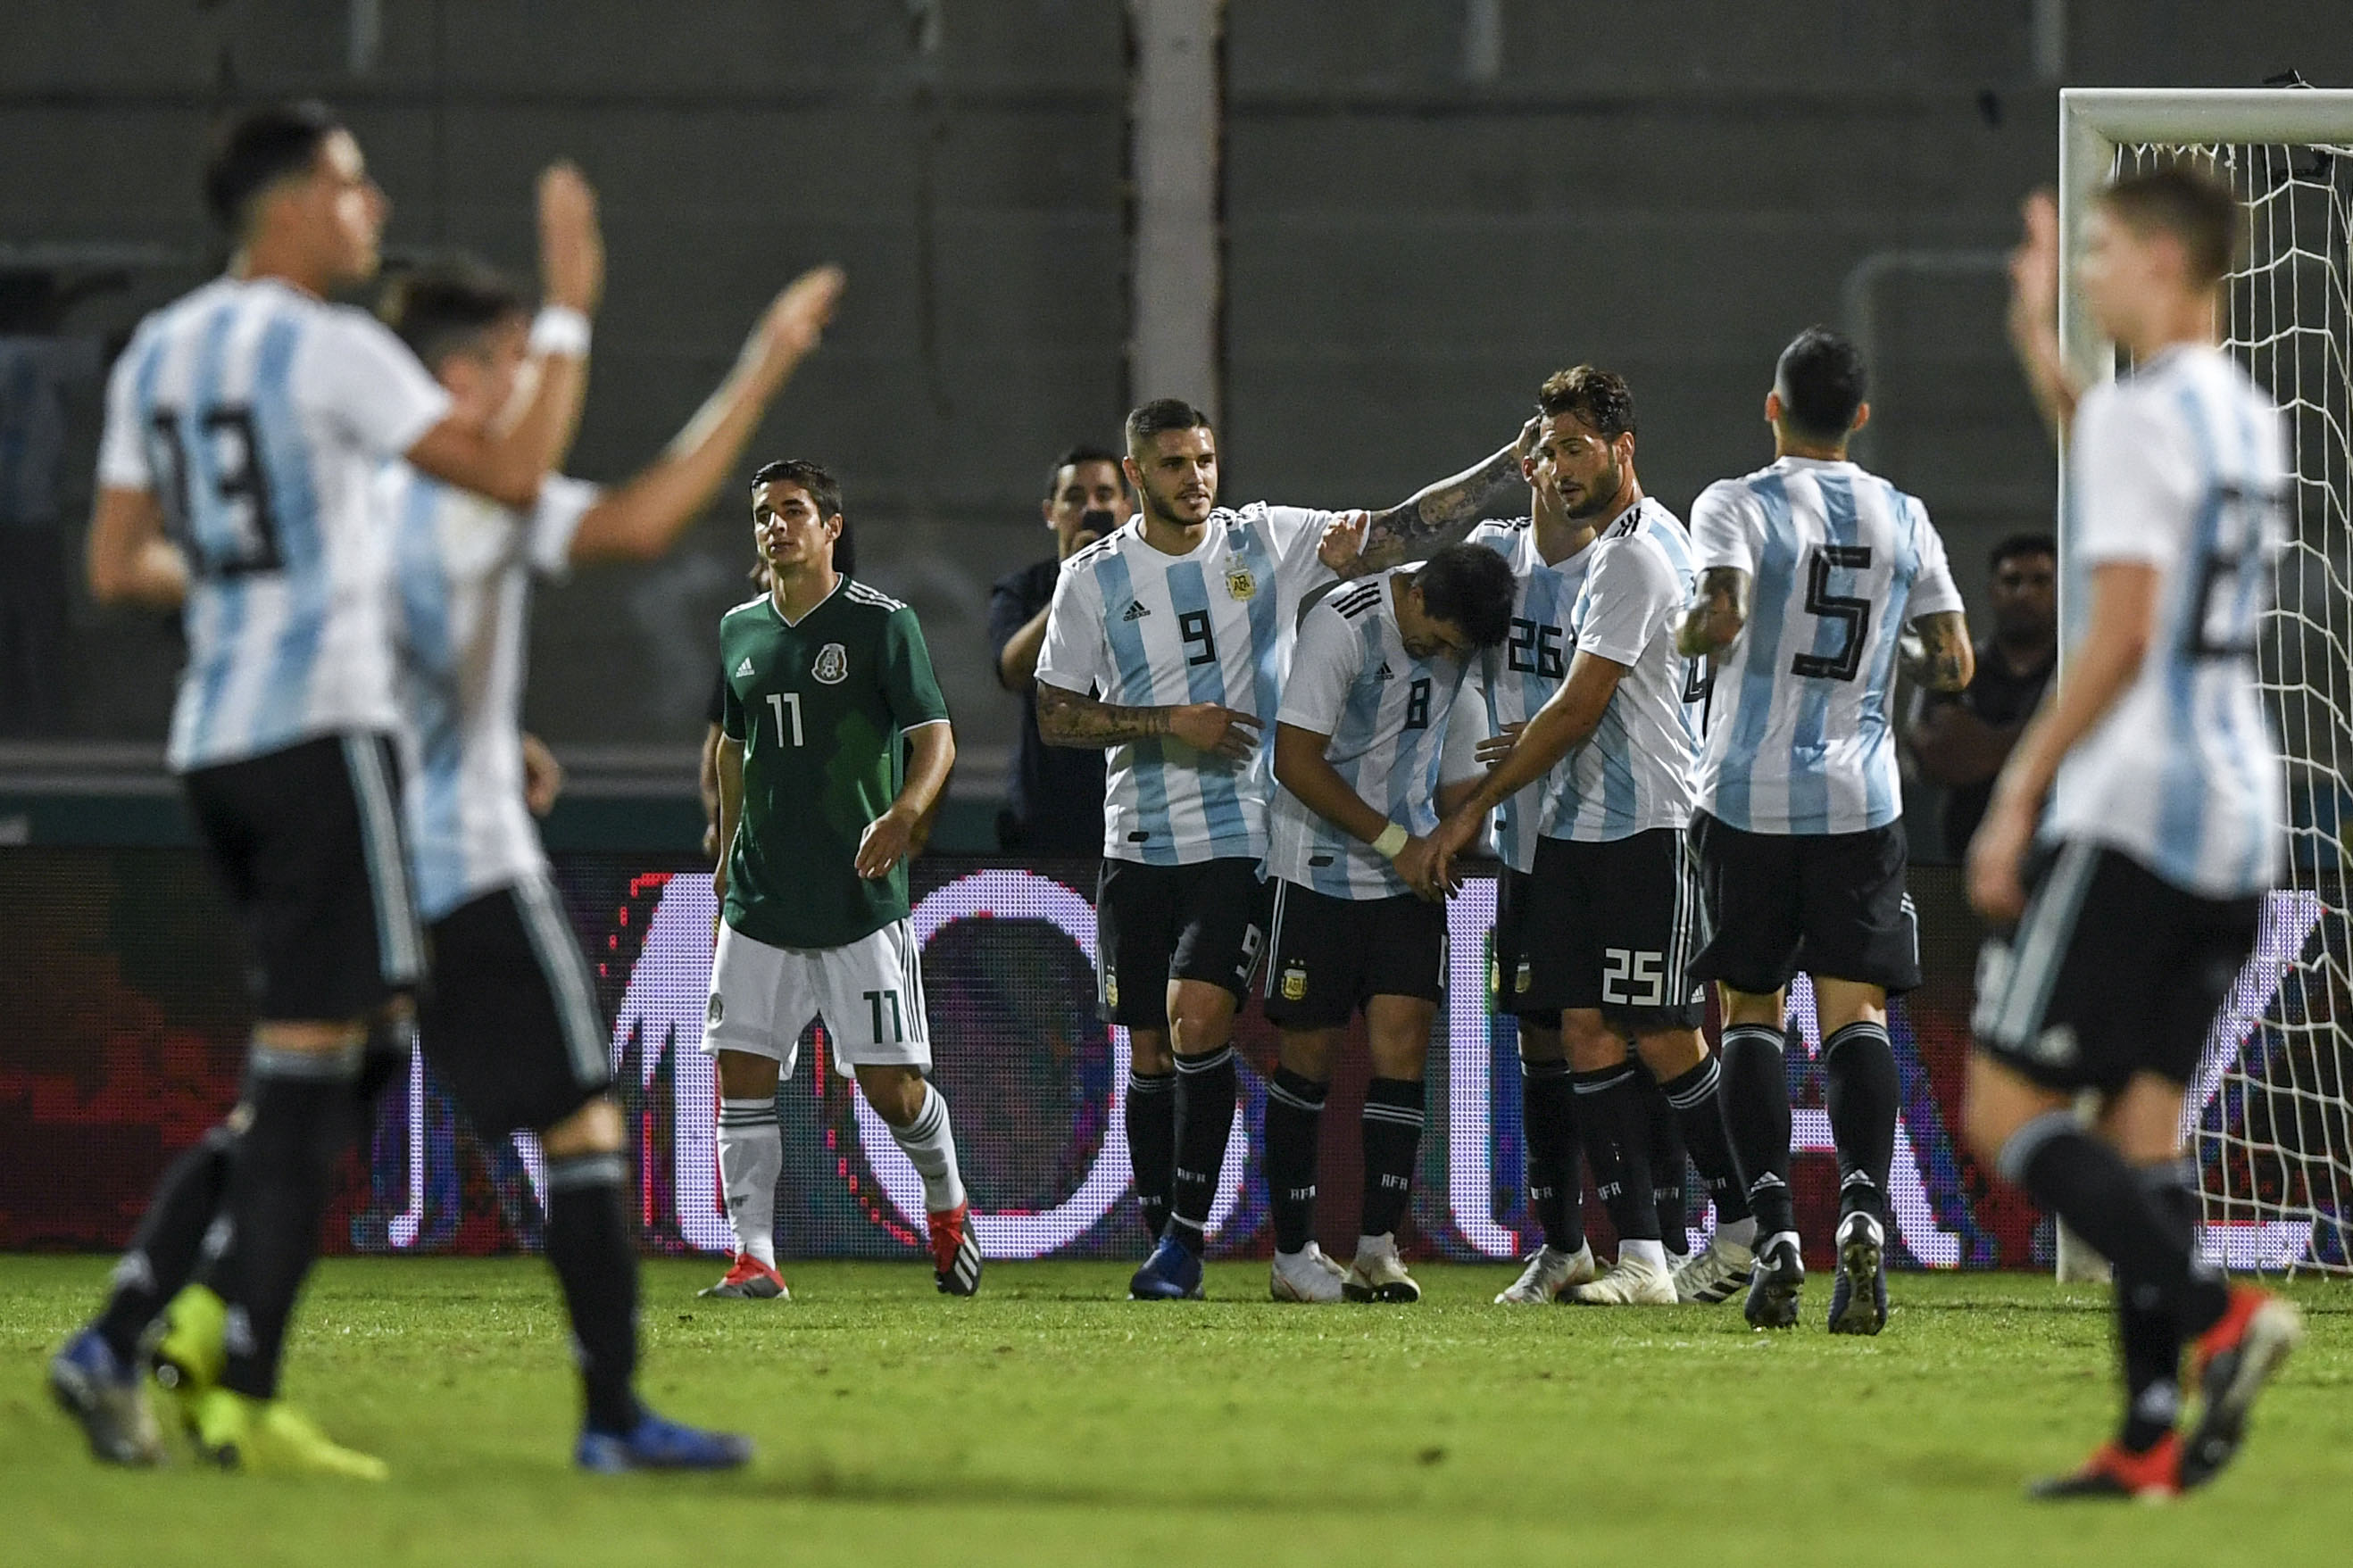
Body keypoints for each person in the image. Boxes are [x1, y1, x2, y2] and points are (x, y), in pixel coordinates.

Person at [54, 101, 599, 1477]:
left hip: (214, 744)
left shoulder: (164, 349)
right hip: (319, 737)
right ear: (292, 204)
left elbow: (117, 566)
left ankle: (162, 1336)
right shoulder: (333, 348)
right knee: (314, 1072)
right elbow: (512, 468)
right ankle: (172, 1353)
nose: (372, 207)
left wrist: (253, 590)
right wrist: (573, 315)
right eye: (352, 184)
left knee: (342, 1048)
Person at [372, 258, 841, 1466]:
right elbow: (639, 519)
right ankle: (615, 1418)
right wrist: (768, 356)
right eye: (520, 358)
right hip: (466, 859)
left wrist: (482, 728)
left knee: (305, 1105)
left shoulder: (373, 493)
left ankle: (153, 1321)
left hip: (363, 850)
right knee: (583, 1123)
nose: (537, 380)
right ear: (464, 378)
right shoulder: (480, 486)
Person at [1965, 167, 2302, 1499]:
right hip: (2241, 819)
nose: (2089, 267)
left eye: (2102, 250)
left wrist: (2019, 787)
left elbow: (2122, 625)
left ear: (2162, 261)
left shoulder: (2140, 423)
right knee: (2144, 1134)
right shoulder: (2244, 417)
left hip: (2138, 813)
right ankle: (2149, 1437)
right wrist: (2044, 353)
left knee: (2007, 1111)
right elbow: (2122, 460)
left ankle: (2217, 1313)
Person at [1033, 396, 1531, 1298]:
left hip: (1241, 832)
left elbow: (1400, 528)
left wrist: (1506, 461)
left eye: (1205, 460)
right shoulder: (1091, 579)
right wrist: (1163, 722)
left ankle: (1185, 1239)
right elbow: (1054, 714)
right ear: (1138, 471)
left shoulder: (1259, 540)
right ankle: (1167, 1227)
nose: (1195, 478)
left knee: (1197, 1014)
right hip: (1133, 834)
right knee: (1149, 1048)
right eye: (1175, 463)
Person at [1429, 367, 1755, 1307]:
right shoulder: (1516, 554)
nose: (1559, 465)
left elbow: (1577, 708)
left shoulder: (1636, 555)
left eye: (1576, 447)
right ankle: (1629, 1253)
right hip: (1566, 830)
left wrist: (1466, 805)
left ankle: (1739, 1226)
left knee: (1655, 1029)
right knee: (1575, 1030)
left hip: (1639, 821)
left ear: (1622, 448)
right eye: (1548, 447)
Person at [1674, 326, 1975, 1335]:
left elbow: (1714, 619)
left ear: (1771, 405)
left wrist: (1689, 630)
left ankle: (1770, 1229)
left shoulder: (1732, 502)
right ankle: (1859, 1206)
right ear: (1859, 414)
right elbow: (1954, 660)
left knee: (1750, 1010)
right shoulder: (1902, 514)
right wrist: (1876, 669)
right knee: (1855, 1016)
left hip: (1745, 794)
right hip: (1858, 798)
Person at [703, 460, 975, 1300]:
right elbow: (733, 743)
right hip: (761, 895)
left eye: (792, 511)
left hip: (857, 897)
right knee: (740, 1070)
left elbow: (936, 736)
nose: (775, 526)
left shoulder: (882, 624)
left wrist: (903, 814)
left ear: (830, 526)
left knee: (891, 1091)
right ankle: (755, 1256)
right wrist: (724, 842)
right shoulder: (739, 628)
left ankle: (949, 1202)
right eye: (762, 515)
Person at [1260, 543, 1515, 1303]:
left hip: (1410, 873)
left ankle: (1377, 1245)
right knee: (1307, 1058)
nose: (1446, 657)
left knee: (1403, 1049)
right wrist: (1398, 842)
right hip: (1317, 872)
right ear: (1420, 599)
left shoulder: (1458, 634)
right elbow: (1294, 760)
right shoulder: (1341, 624)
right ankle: (1293, 1253)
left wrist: (1456, 824)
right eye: (1441, 639)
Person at [988, 446, 1127, 852]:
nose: (1091, 508)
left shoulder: (1154, 582)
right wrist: (1074, 581)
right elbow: (1011, 669)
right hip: (1049, 812)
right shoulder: (1024, 588)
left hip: (1133, 809)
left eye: (1104, 495)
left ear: (1126, 507)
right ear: (1051, 512)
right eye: (1076, 497)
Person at [1907, 534, 2058, 858]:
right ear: (1993, 591)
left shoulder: (2073, 671)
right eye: (2012, 581)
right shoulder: (1954, 669)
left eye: (2040, 581)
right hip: (1961, 850)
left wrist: (1981, 744)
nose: (2024, 593)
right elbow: (1931, 756)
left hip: (2051, 848)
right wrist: (2046, 739)